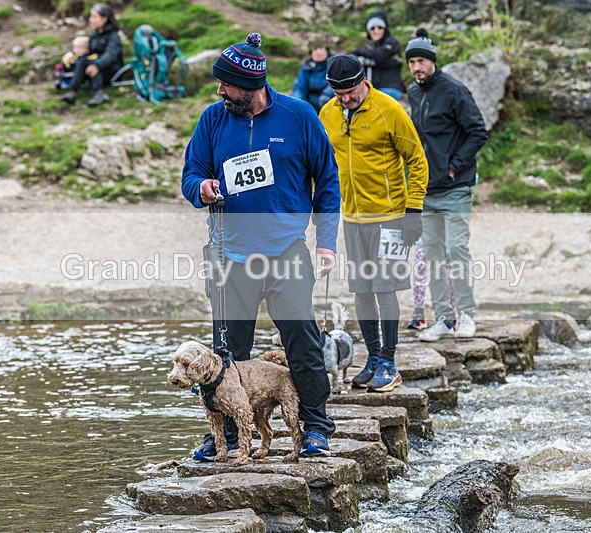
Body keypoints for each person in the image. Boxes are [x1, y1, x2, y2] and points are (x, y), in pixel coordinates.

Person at [181, 33, 341, 459]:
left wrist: (326, 242)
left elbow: (327, 181)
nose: (219, 91)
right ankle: (227, 436)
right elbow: (190, 175)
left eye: (226, 85)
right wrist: (204, 188)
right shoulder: (213, 120)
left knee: (301, 341)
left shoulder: (300, 116)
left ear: (250, 85)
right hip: (230, 256)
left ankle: (315, 428)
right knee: (226, 352)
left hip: (287, 251)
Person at [319, 54, 428, 392]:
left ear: (363, 80)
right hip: (352, 216)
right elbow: (323, 163)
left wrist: (413, 210)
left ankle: (389, 362)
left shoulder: (389, 109)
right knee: (362, 290)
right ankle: (372, 357)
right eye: (339, 93)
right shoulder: (328, 113)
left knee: (386, 288)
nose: (346, 98)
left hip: (391, 216)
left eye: (350, 91)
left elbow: (418, 161)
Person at [403, 29, 489, 342]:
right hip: (425, 189)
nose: (417, 67)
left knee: (457, 249)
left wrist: (454, 168)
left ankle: (467, 315)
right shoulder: (414, 92)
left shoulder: (455, 91)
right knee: (433, 256)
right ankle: (443, 319)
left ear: (433, 62)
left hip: (455, 187)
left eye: (421, 60)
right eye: (412, 61)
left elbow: (478, 132)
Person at [62, 3, 123, 107]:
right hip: (95, 64)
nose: (91, 19)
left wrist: (97, 65)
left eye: (94, 17)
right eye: (91, 16)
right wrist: (73, 56)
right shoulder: (95, 34)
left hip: (110, 70)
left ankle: (99, 93)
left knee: (90, 64)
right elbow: (88, 51)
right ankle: (72, 91)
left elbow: (110, 55)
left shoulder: (114, 36)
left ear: (104, 19)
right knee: (82, 60)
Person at [351, 9, 406, 100]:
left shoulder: (392, 43)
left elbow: (381, 56)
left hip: (391, 88)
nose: (376, 31)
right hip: (375, 89)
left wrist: (360, 52)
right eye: (372, 28)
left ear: (385, 29)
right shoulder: (370, 47)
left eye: (380, 27)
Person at [291, 44, 335, 113]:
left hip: (329, 104)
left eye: (322, 49)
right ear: (311, 53)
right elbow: (299, 87)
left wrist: (327, 94)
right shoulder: (306, 67)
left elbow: (336, 83)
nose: (318, 52)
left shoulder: (334, 65)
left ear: (327, 51)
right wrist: (297, 101)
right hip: (311, 105)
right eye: (315, 49)